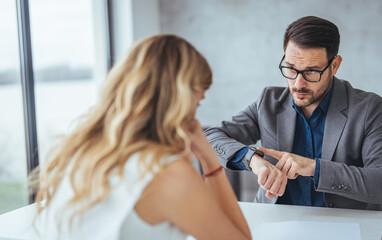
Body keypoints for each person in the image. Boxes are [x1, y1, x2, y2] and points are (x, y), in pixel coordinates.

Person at [31, 35, 251, 240]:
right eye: (197, 102)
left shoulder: (83, 151)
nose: (195, 114)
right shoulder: (169, 175)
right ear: (180, 101)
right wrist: (210, 161)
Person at [205, 16, 382, 211]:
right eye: (291, 69)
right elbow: (210, 137)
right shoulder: (268, 101)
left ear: (334, 66)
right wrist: (252, 160)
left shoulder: (368, 108)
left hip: (345, 225)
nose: (298, 84)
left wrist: (315, 169)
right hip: (276, 221)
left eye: (311, 72)